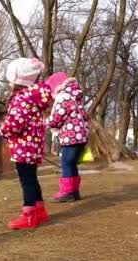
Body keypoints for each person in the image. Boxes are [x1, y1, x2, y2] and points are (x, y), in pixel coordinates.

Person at [0, 58, 54, 229]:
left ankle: (29, 216)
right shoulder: (33, 98)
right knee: (32, 179)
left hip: (24, 147)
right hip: (32, 146)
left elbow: (15, 124)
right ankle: (40, 211)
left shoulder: (22, 99)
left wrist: (3, 129)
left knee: (27, 181)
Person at [45, 72, 90, 202]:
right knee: (71, 164)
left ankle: (67, 192)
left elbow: (57, 118)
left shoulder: (63, 97)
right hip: (79, 135)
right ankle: (74, 191)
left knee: (66, 163)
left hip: (71, 136)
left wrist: (45, 123)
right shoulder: (74, 97)